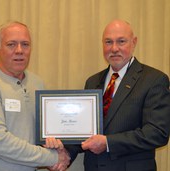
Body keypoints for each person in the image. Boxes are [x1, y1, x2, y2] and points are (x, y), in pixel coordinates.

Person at [46, 19, 170, 171]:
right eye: (108, 42)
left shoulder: (154, 79)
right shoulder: (92, 81)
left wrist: (108, 143)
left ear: (134, 42)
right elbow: (84, 131)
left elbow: (157, 133)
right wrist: (65, 155)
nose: (114, 48)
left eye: (121, 41)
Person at [0, 21, 69, 171]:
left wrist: (56, 146)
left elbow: (42, 134)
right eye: (11, 44)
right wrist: (52, 157)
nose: (19, 50)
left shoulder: (37, 83)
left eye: (25, 44)